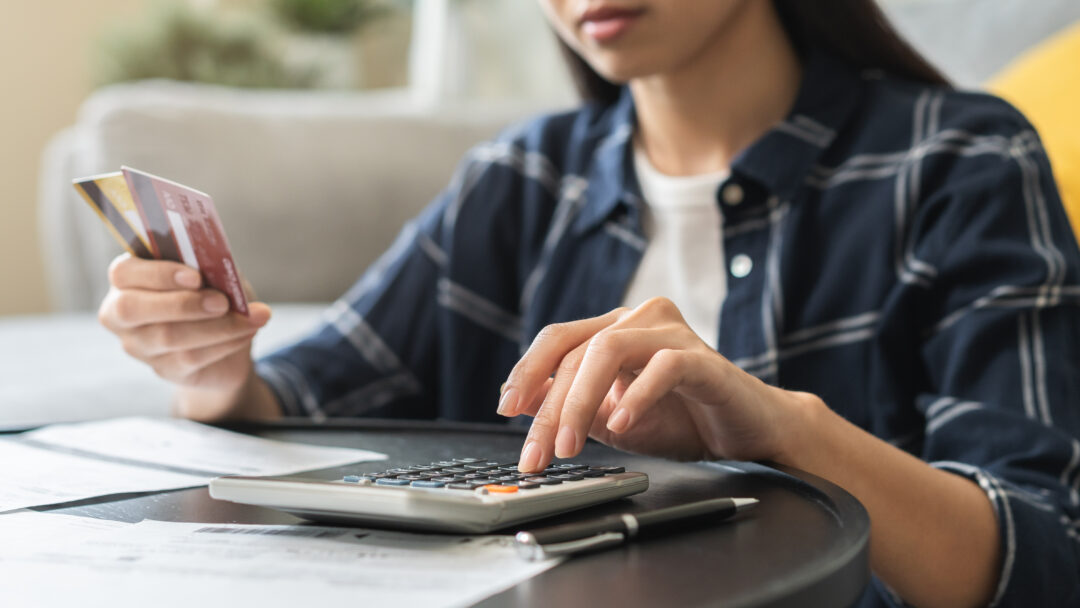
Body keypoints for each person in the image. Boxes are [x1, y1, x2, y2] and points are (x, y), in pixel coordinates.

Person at [97, 0, 1080, 606]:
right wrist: (215, 370)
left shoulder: (957, 159)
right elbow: (301, 398)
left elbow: (1040, 557)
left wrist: (783, 427)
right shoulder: (523, 178)